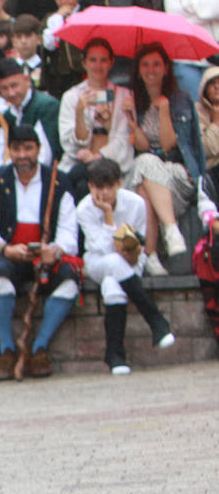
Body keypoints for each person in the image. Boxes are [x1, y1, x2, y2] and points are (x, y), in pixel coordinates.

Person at [0, 125, 80, 380]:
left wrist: (54, 250)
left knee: (70, 281)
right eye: (17, 149)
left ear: (38, 150)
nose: (22, 155)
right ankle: (7, 349)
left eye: (28, 148)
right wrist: (6, 249)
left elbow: (68, 231)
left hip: (46, 256)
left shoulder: (58, 181)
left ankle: (40, 348)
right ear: (9, 151)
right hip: (11, 254)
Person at [77, 157, 175, 373]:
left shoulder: (136, 203)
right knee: (112, 261)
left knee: (113, 287)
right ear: (90, 186)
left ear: (118, 184)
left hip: (129, 262)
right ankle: (156, 320)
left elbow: (138, 241)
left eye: (108, 187)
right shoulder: (84, 209)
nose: (103, 194)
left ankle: (115, 356)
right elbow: (102, 248)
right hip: (98, 262)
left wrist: (131, 253)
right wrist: (108, 216)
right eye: (97, 187)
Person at [124, 42, 203, 274]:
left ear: (166, 68)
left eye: (156, 64)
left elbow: (169, 146)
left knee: (145, 170)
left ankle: (151, 253)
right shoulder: (133, 100)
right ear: (138, 70)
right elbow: (143, 146)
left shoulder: (180, 98)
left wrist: (165, 110)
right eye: (145, 64)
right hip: (148, 175)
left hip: (177, 174)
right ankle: (168, 236)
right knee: (145, 169)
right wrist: (131, 121)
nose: (151, 70)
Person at [59, 38, 135, 201]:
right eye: (93, 60)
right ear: (84, 62)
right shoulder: (71, 96)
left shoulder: (124, 95)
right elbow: (70, 145)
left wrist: (98, 156)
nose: (98, 66)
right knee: (79, 180)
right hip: (78, 165)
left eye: (103, 60)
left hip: (114, 164)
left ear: (111, 62)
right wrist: (80, 112)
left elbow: (124, 139)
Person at [0, 59, 61, 169]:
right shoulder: (8, 116)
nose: (11, 93)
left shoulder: (46, 107)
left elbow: (45, 157)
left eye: (14, 85)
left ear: (26, 80)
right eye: (4, 88)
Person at [41, 0, 86, 98]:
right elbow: (49, 45)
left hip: (82, 75)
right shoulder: (51, 19)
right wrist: (58, 17)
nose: (64, 1)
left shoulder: (86, 15)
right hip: (59, 80)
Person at [198, 65, 219, 188]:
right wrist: (216, 122)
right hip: (209, 176)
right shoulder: (197, 112)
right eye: (212, 84)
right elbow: (205, 149)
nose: (217, 87)